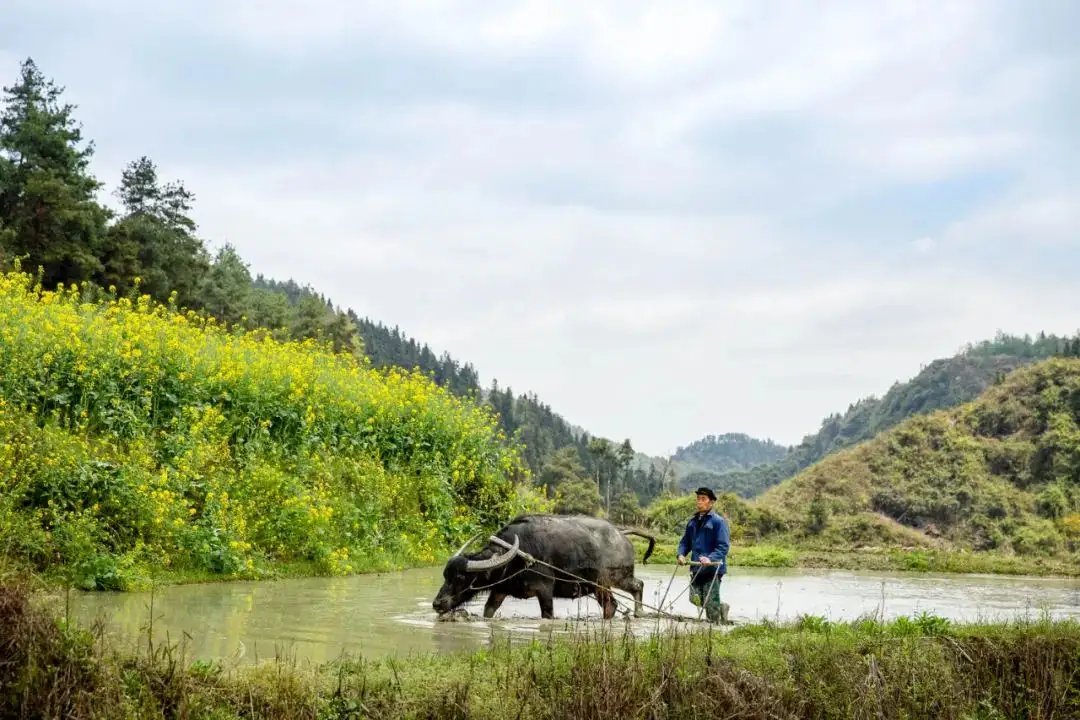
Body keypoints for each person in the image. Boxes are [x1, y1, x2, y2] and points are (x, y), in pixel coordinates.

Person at [676, 486, 731, 624]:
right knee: (693, 598)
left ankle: (715, 625)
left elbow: (723, 546)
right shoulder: (692, 522)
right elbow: (685, 542)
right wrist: (681, 554)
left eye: (703, 499)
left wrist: (710, 558)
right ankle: (721, 607)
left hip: (712, 568)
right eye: (698, 499)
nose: (699, 502)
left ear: (711, 503)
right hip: (696, 567)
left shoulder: (718, 522)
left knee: (710, 604)